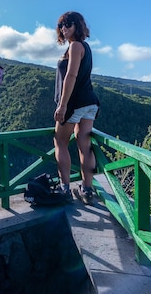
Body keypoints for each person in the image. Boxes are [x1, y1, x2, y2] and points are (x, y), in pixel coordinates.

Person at [53, 11, 100, 205]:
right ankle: (87, 190)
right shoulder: (86, 47)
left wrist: (63, 105)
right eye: (62, 24)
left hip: (74, 103)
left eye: (69, 24)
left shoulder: (74, 47)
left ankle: (64, 188)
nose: (64, 28)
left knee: (60, 142)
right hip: (90, 102)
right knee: (85, 146)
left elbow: (71, 76)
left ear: (78, 26)